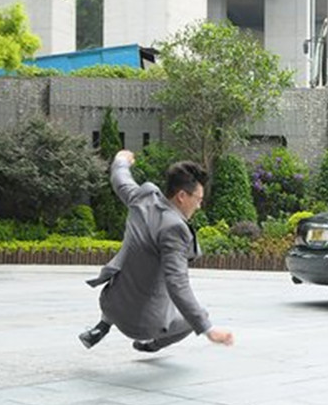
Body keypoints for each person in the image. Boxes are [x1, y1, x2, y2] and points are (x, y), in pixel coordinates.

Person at [79, 149, 234, 353]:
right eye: (198, 199)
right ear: (181, 196)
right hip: (141, 325)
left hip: (109, 304)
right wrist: (207, 329)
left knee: (135, 272)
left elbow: (120, 179)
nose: (199, 205)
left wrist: (121, 160)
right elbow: (177, 283)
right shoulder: (174, 229)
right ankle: (150, 345)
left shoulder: (143, 199)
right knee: (196, 316)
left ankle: (102, 326)